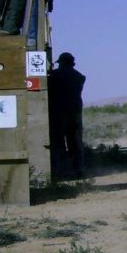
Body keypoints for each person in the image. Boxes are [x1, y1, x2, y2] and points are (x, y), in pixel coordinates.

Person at [48, 51, 86, 179]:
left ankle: (61, 171)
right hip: (75, 113)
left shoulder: (54, 75)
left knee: (58, 143)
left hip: (58, 114)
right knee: (76, 143)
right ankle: (78, 170)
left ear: (62, 62)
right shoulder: (80, 77)